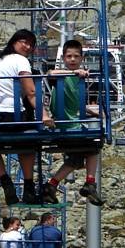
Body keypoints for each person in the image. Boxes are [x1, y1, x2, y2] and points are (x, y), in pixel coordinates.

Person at [0, 29, 53, 205]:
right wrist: (44, 115)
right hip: (11, 117)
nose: (27, 46)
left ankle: (6, 182)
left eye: (30, 44)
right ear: (14, 42)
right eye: (24, 42)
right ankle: (28, 186)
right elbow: (30, 92)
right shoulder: (21, 60)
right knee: (28, 142)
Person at [40, 39, 104, 206]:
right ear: (63, 58)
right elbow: (51, 74)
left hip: (71, 123)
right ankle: (90, 182)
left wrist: (92, 112)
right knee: (94, 147)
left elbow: (75, 103)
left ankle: (51, 186)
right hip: (66, 125)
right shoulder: (64, 75)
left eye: (76, 56)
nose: (73, 59)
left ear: (82, 58)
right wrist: (75, 73)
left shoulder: (77, 79)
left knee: (75, 160)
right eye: (69, 56)